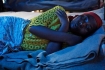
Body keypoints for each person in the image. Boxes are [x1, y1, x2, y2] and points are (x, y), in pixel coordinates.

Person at [21, 6, 102, 54]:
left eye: (87, 28)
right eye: (84, 18)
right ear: (77, 16)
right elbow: (33, 28)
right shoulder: (58, 12)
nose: (82, 24)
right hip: (13, 28)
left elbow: (50, 52)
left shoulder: (74, 40)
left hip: (15, 45)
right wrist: (66, 31)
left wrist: (64, 26)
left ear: (87, 34)